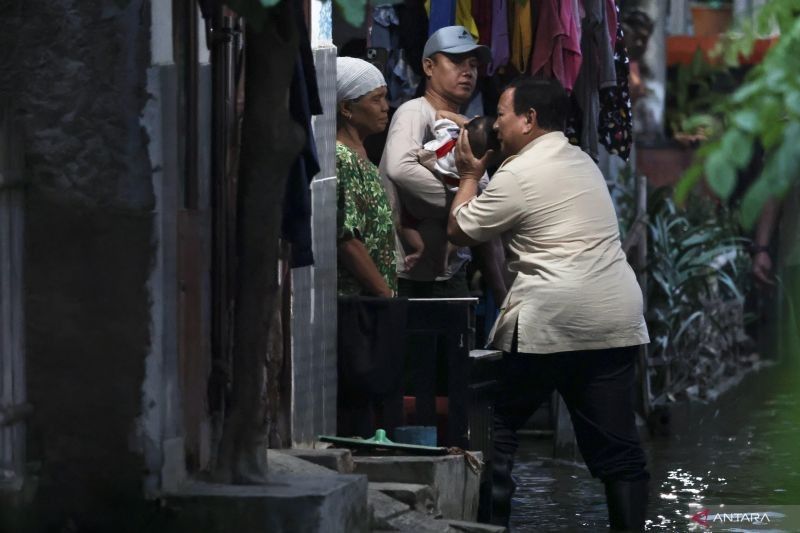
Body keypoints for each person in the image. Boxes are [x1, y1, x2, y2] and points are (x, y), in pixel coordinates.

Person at [447, 77, 651, 530]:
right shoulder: (583, 161)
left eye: (501, 114)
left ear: (529, 119)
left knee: (497, 429)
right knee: (620, 452)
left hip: (553, 317)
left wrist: (467, 176)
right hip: (613, 316)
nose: (496, 124)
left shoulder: (518, 174)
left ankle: (493, 525)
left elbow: (460, 229)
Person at [379, 25, 493, 426]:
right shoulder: (415, 112)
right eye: (457, 61)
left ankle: (446, 450)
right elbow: (399, 168)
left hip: (449, 272)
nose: (468, 71)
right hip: (411, 274)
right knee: (415, 375)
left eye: (474, 63)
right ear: (428, 66)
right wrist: (460, 204)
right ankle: (416, 449)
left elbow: (483, 187)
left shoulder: (468, 123)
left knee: (451, 374)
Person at [335, 57, 395, 297]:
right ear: (347, 108)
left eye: (385, 97)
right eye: (376, 99)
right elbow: (346, 238)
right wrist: (385, 294)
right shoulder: (341, 158)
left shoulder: (362, 157)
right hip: (357, 302)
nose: (385, 107)